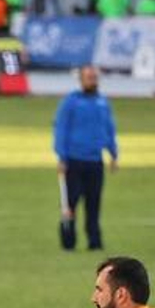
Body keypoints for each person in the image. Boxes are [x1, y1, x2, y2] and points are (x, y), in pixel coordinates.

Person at [54, 65, 118, 252]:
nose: (92, 80)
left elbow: (108, 129)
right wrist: (61, 156)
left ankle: (95, 241)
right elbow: (61, 129)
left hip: (95, 161)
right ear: (81, 79)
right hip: (74, 160)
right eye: (89, 77)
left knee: (94, 203)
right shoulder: (71, 102)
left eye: (94, 77)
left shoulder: (103, 103)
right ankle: (68, 242)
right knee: (70, 202)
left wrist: (113, 154)